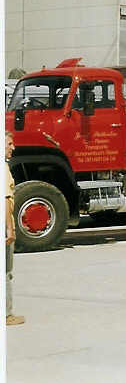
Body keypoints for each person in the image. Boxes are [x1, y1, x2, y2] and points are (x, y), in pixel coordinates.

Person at [6, 130, 24, 325]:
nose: (13, 147)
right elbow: (5, 200)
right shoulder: (4, 169)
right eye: (9, 144)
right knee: (6, 271)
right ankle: (7, 314)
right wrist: (10, 229)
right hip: (4, 227)